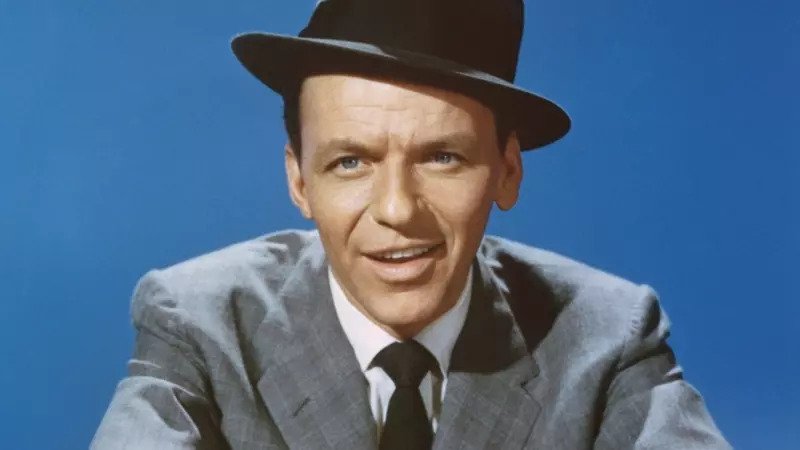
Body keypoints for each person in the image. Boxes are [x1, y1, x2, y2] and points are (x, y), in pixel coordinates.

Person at [92, 0, 730, 448]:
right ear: (299, 181)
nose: (397, 210)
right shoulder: (199, 325)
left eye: (442, 157)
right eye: (350, 162)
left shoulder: (607, 337)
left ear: (507, 172)